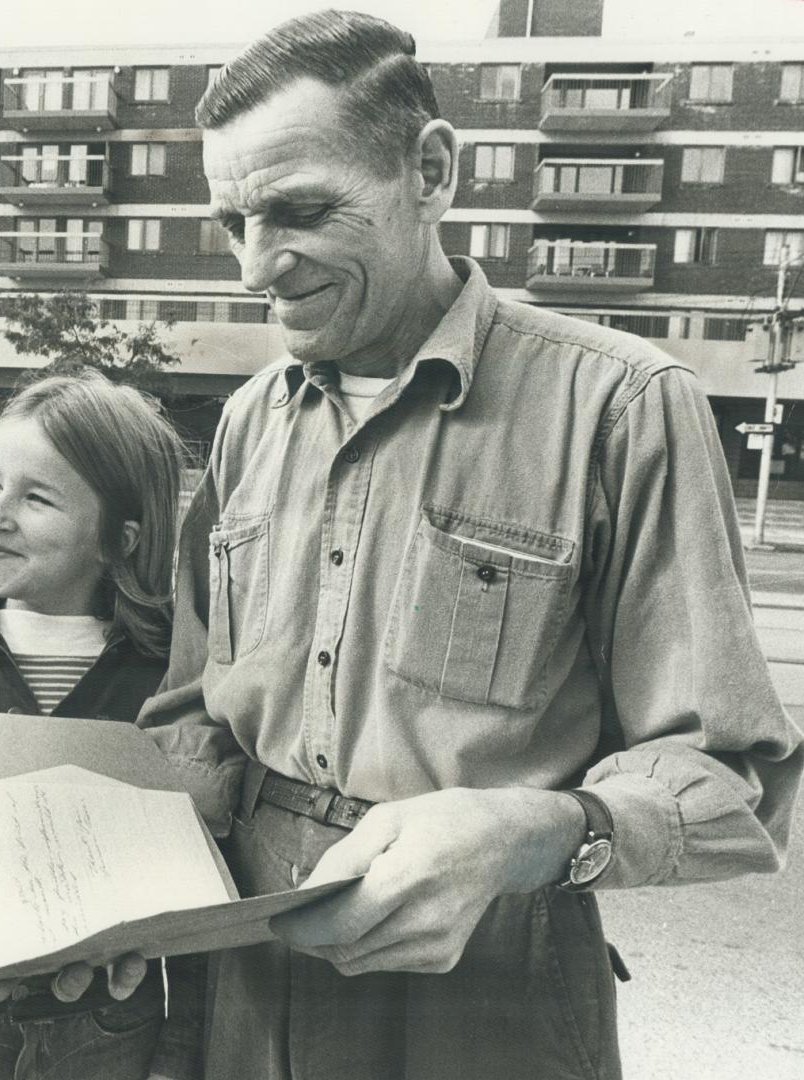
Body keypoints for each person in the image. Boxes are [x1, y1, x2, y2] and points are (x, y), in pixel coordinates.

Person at [137, 11, 803, 1080]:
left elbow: (727, 776)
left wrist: (532, 833)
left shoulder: (623, 405)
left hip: (494, 986)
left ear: (433, 172)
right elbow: (188, 707)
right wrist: (135, 888)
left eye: (302, 210)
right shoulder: (249, 418)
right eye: (232, 223)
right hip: (250, 970)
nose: (258, 264)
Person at [0, 371, 204, 1080]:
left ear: (119, 539)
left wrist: (177, 1059)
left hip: (109, 1020)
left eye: (36, 499)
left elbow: (194, 894)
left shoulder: (170, 670)